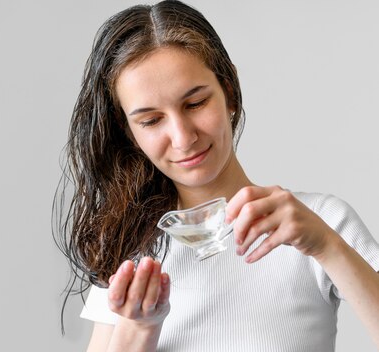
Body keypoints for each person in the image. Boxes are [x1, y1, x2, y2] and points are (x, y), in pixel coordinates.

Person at [52, 0, 379, 351]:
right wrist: (141, 328)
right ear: (129, 132)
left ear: (229, 90)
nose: (183, 137)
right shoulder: (129, 253)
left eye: (195, 104)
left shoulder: (322, 221)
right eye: (151, 120)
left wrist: (325, 245)